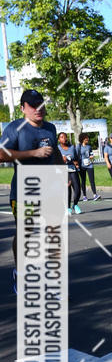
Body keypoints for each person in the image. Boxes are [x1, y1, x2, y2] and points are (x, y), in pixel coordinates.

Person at [1, 89, 61, 289]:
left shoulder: (51, 128)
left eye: (41, 105)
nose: (38, 109)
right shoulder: (15, 128)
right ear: (23, 108)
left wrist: (64, 173)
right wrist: (33, 153)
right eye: (33, 106)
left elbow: (56, 152)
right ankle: (20, 272)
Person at [58, 131, 82, 214]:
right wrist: (61, 159)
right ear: (58, 139)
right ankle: (68, 208)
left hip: (72, 169)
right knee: (67, 189)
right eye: (62, 137)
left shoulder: (72, 147)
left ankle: (75, 204)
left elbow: (75, 158)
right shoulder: (57, 148)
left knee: (78, 189)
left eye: (65, 137)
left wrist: (76, 163)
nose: (64, 138)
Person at [77, 132, 100, 201]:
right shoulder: (79, 146)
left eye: (88, 138)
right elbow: (77, 155)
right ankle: (84, 196)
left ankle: (95, 194)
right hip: (82, 165)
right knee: (83, 180)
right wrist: (77, 164)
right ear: (82, 139)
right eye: (86, 138)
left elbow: (91, 153)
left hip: (89, 165)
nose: (88, 139)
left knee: (92, 180)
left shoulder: (89, 146)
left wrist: (92, 157)